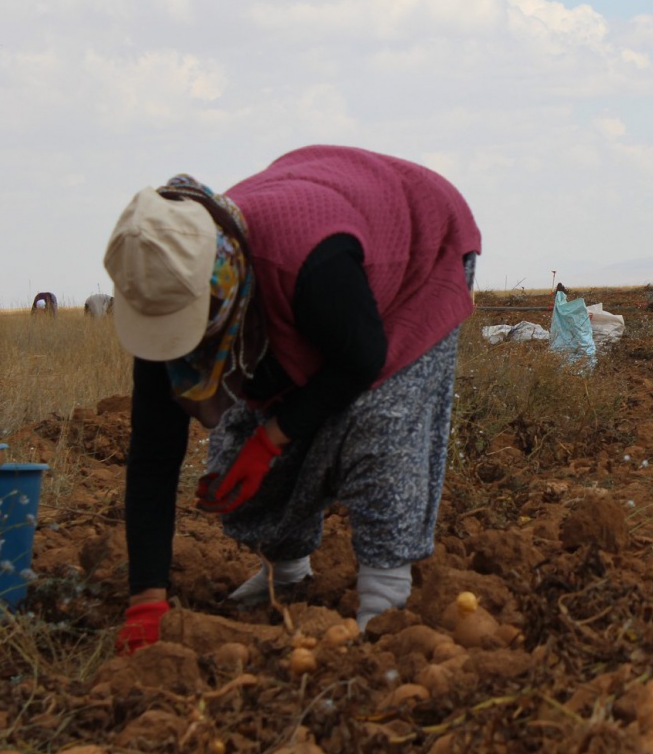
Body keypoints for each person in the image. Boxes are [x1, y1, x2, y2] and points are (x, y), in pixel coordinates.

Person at [102, 145, 480, 654]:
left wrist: (274, 438)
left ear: (221, 286)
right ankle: (287, 574)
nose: (180, 342)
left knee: (379, 417)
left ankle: (384, 598)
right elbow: (153, 455)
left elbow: (360, 359)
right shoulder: (160, 285)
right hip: (314, 272)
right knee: (236, 446)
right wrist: (146, 599)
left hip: (414, 247)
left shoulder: (305, 261)